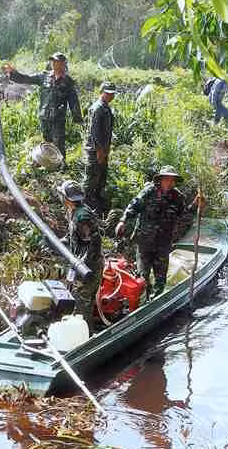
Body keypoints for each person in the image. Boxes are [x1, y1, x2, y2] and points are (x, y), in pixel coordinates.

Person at [115, 166, 201, 298]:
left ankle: (156, 300)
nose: (169, 183)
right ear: (160, 180)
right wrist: (123, 221)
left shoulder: (177, 197)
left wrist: (196, 205)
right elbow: (134, 206)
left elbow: (184, 215)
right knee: (142, 278)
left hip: (163, 244)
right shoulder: (149, 192)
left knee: (160, 281)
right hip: (144, 242)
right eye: (167, 179)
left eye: (172, 180)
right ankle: (142, 302)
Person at [3, 52, 83, 160]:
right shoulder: (43, 77)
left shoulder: (68, 82)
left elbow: (74, 101)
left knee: (59, 144)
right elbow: (26, 78)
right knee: (47, 143)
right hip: (44, 117)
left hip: (58, 119)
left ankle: (61, 164)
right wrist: (13, 73)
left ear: (63, 64)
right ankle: (48, 163)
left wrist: (78, 119)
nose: (53, 63)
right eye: (52, 61)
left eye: (56, 61)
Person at [57, 180, 103, 329]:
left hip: (88, 267)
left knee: (81, 307)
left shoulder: (82, 216)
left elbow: (94, 243)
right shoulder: (72, 211)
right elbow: (74, 236)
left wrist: (82, 265)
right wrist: (60, 242)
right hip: (78, 264)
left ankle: (86, 335)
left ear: (67, 198)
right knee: (74, 300)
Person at [84, 81, 116, 215]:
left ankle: (98, 204)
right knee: (92, 179)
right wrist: (99, 151)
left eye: (112, 94)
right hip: (95, 151)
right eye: (107, 93)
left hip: (103, 150)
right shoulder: (98, 108)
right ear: (102, 92)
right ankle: (87, 206)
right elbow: (95, 132)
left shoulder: (105, 108)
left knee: (101, 178)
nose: (110, 96)